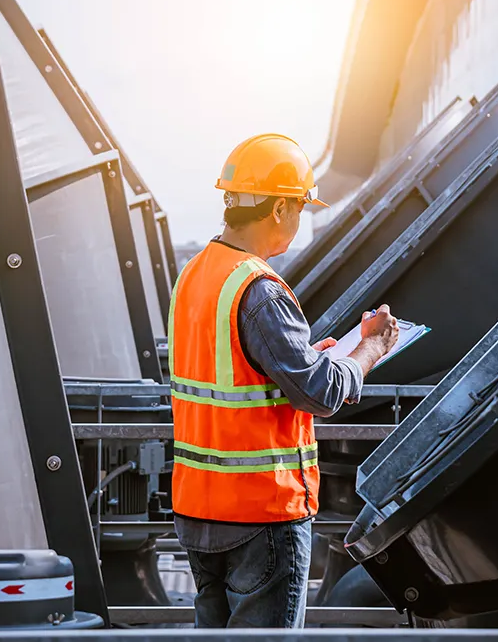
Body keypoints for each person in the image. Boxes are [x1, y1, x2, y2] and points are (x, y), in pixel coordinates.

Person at [167, 133, 400, 628]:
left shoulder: (195, 276)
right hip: (261, 513)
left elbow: (230, 372)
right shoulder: (259, 289)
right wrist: (370, 348)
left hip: (199, 509)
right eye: (298, 208)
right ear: (277, 210)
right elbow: (321, 393)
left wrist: (304, 360)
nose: (299, 219)